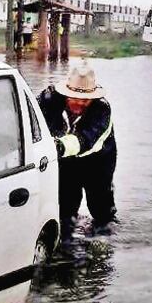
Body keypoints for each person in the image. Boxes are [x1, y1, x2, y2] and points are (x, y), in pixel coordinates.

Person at [38, 63, 117, 235]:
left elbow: (87, 141)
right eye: (75, 97)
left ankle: (103, 242)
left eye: (85, 99)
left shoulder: (102, 109)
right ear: (66, 93)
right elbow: (32, 121)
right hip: (64, 160)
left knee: (101, 209)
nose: (80, 103)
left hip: (99, 161)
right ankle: (66, 246)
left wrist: (57, 146)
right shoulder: (47, 99)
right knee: (65, 205)